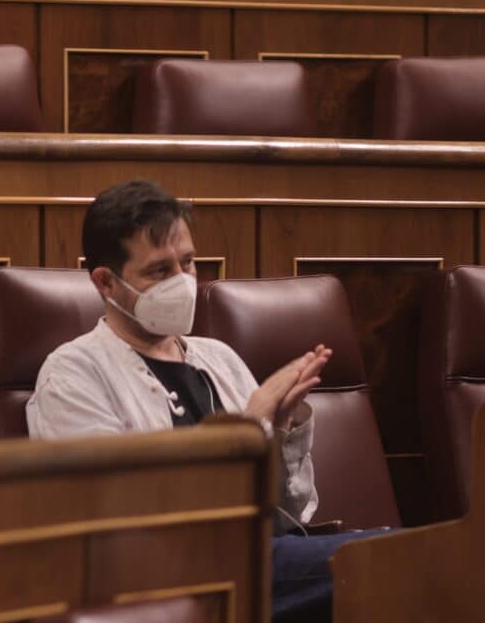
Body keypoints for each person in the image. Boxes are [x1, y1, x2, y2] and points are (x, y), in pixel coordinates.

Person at [26, 180, 384, 623]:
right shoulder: (72, 374)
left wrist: (280, 433)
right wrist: (245, 429)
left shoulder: (219, 359)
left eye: (188, 263)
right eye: (159, 271)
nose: (182, 282)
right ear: (105, 282)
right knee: (400, 560)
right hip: (177, 578)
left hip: (267, 560)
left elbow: (291, 514)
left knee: (412, 555)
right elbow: (115, 523)